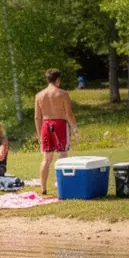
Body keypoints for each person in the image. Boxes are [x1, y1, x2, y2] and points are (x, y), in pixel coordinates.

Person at [34, 68, 78, 196]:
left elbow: (37, 117)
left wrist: (39, 134)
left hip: (45, 125)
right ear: (58, 80)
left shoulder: (39, 95)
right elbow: (69, 113)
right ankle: (62, 184)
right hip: (60, 124)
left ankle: (43, 187)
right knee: (63, 155)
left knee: (46, 158)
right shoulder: (63, 94)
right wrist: (74, 127)